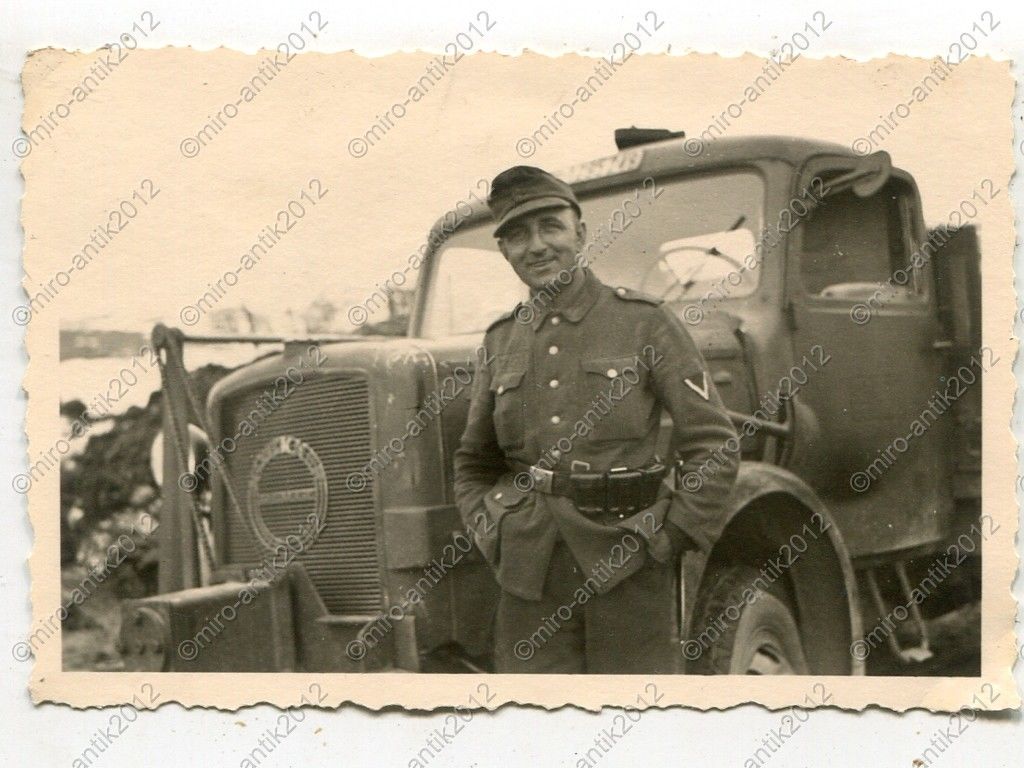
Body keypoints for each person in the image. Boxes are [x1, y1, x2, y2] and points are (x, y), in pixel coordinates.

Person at [454, 165, 739, 673]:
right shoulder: (500, 340)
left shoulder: (644, 322)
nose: (536, 246)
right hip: (528, 569)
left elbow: (713, 442)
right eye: (517, 235)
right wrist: (490, 527)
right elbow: (474, 459)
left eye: (550, 227)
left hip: (629, 559)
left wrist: (671, 537)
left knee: (634, 726)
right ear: (504, 251)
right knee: (535, 726)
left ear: (580, 233)